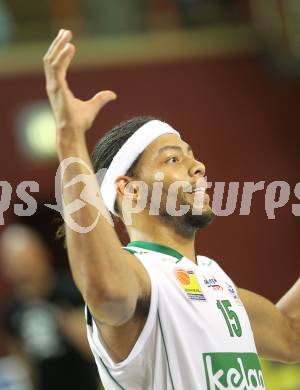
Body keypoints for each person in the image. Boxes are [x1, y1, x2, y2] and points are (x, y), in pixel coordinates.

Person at [43, 29, 300, 389]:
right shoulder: (140, 277)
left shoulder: (212, 277)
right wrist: (70, 137)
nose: (198, 167)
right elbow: (105, 291)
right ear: (129, 189)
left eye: (192, 156)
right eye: (174, 159)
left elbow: (290, 336)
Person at [0, 224, 100, 390]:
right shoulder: (12, 310)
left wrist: (64, 320)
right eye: (14, 261)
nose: (22, 268)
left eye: (26, 259)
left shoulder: (70, 290)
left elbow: (94, 347)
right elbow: (22, 362)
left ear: (41, 254)